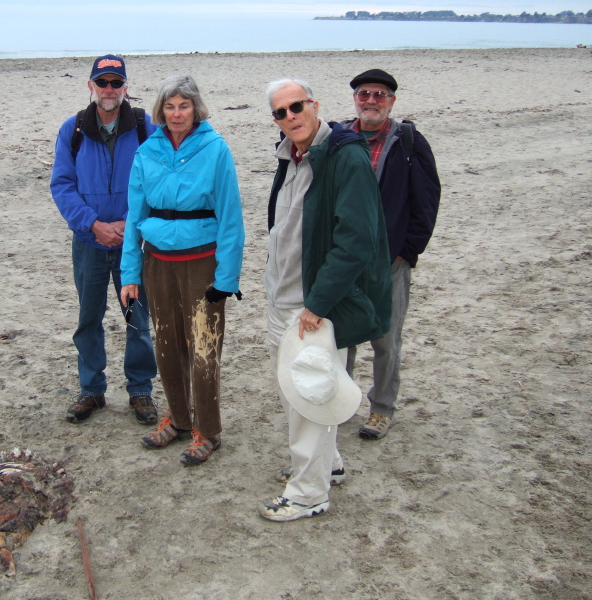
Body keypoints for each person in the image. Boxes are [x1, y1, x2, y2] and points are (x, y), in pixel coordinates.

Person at [259, 78, 391, 521]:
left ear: (314, 105)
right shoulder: (291, 155)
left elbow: (356, 241)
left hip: (311, 301)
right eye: (280, 112)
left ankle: (308, 493)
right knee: (300, 387)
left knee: (308, 393)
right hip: (284, 294)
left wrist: (317, 303)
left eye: (296, 106)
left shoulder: (345, 157)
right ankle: (327, 464)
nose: (290, 116)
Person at [120, 75, 244, 466]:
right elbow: (134, 214)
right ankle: (178, 418)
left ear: (196, 109)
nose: (177, 114)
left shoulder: (215, 148)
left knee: (204, 349)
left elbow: (231, 219)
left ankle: (207, 430)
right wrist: (130, 274)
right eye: (170, 106)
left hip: (202, 263)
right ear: (161, 110)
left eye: (184, 106)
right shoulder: (147, 152)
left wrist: (226, 279)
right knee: (167, 345)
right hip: (158, 264)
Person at [50, 54, 159, 426]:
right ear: (91, 87)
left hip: (134, 244)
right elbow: (62, 185)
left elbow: (159, 181)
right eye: (103, 82)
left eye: (116, 83)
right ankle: (92, 389)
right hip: (89, 243)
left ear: (126, 87)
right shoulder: (74, 129)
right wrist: (92, 224)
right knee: (88, 319)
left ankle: (140, 390)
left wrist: (132, 224)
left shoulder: (146, 127)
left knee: (138, 317)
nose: (109, 90)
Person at [341, 69, 441, 440]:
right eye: (364, 94)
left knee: (385, 340)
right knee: (342, 338)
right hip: (345, 261)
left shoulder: (409, 143)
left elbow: (426, 201)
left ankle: (382, 408)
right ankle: (343, 400)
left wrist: (407, 251)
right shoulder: (338, 138)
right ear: (355, 99)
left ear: (391, 101)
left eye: (379, 95)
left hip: (390, 262)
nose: (370, 101)